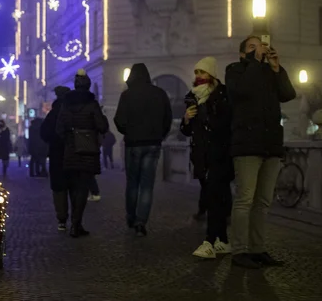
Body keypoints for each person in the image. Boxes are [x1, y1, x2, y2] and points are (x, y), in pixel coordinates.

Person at [226, 36, 296, 269]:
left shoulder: (269, 71)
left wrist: (277, 69)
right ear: (242, 53)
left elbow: (287, 94)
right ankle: (239, 251)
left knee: (263, 201)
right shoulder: (235, 71)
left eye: (261, 45)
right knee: (245, 199)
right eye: (251, 47)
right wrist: (256, 62)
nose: (259, 49)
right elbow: (241, 91)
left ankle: (257, 249)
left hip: (271, 144)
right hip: (247, 144)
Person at [179, 57, 234, 259]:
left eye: (202, 72)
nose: (199, 76)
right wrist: (186, 120)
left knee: (214, 198)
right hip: (201, 155)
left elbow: (224, 123)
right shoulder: (191, 97)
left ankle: (210, 242)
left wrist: (204, 113)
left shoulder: (222, 94)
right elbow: (186, 131)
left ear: (211, 74)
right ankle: (224, 241)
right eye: (196, 73)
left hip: (219, 153)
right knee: (214, 198)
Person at [114, 63, 172, 237]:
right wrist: (159, 135)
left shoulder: (127, 95)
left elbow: (119, 120)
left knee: (132, 183)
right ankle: (141, 222)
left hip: (133, 144)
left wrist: (129, 131)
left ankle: (131, 217)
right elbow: (167, 119)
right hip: (153, 143)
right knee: (147, 185)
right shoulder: (160, 94)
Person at [53, 70, 110, 237]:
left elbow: (59, 129)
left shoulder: (66, 104)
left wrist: (70, 139)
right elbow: (102, 126)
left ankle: (74, 223)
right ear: (88, 85)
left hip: (70, 150)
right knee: (83, 188)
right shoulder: (92, 104)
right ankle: (76, 224)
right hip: (88, 151)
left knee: (74, 188)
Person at [41, 86, 71, 231]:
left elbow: (44, 132)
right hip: (73, 153)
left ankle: (62, 219)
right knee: (76, 187)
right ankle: (77, 221)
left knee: (59, 187)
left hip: (57, 154)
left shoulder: (53, 113)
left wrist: (53, 141)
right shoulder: (74, 110)